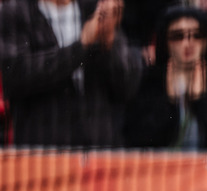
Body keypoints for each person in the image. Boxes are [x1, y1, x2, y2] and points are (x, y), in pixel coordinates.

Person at [0, 0, 143, 147]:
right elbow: (15, 76)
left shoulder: (95, 8)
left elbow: (127, 86)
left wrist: (109, 42)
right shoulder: (16, 11)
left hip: (98, 155)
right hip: (43, 153)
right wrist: (80, 47)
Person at [124, 5, 207, 150]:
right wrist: (169, 103)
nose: (188, 43)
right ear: (165, 42)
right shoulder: (149, 81)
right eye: (178, 36)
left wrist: (201, 101)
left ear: (206, 41)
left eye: (197, 35)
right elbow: (137, 140)